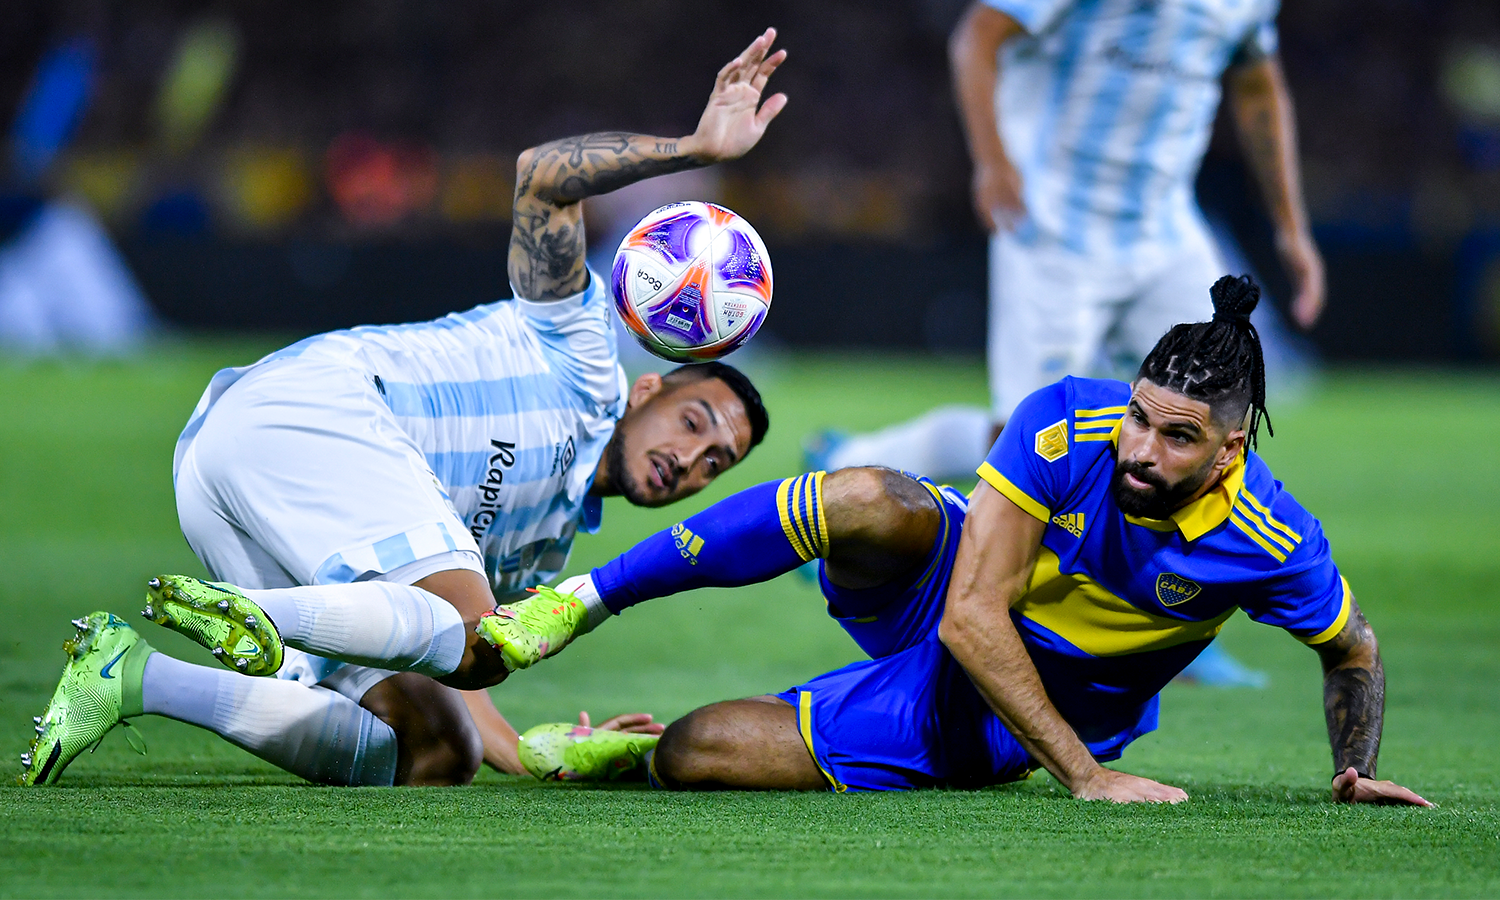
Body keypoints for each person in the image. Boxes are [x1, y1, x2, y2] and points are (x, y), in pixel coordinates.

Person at [19, 30, 789, 788]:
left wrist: (530, 754)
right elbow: (542, 177)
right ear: (650, 387)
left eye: (714, 464)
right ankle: (257, 612)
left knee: (432, 750)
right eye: (695, 425)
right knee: (478, 636)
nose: (692, 461)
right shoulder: (586, 354)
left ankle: (136, 675)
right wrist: (694, 149)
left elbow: (464, 661)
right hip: (316, 409)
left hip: (224, 489)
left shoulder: (540, 556)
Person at [494, 276, 1429, 807]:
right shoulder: (1069, 424)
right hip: (964, 601)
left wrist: (1357, 772)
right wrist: (1089, 781)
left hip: (1023, 701)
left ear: (1230, 446)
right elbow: (972, 612)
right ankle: (578, 599)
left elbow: (1354, 652)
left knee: (705, 751)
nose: (1139, 449)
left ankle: (632, 750)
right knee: (867, 496)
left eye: (1176, 437)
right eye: (1141, 417)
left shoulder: (1273, 541)